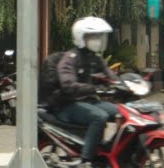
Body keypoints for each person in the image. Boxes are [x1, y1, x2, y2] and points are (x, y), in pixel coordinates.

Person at [51, 17, 120, 167]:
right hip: (68, 105)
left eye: (99, 37)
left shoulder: (95, 58)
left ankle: (114, 152)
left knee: (122, 112)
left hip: (89, 102)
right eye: (93, 37)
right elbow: (68, 85)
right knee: (99, 117)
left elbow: (111, 77)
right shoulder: (69, 59)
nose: (98, 41)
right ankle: (86, 160)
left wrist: (126, 85)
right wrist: (92, 88)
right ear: (81, 38)